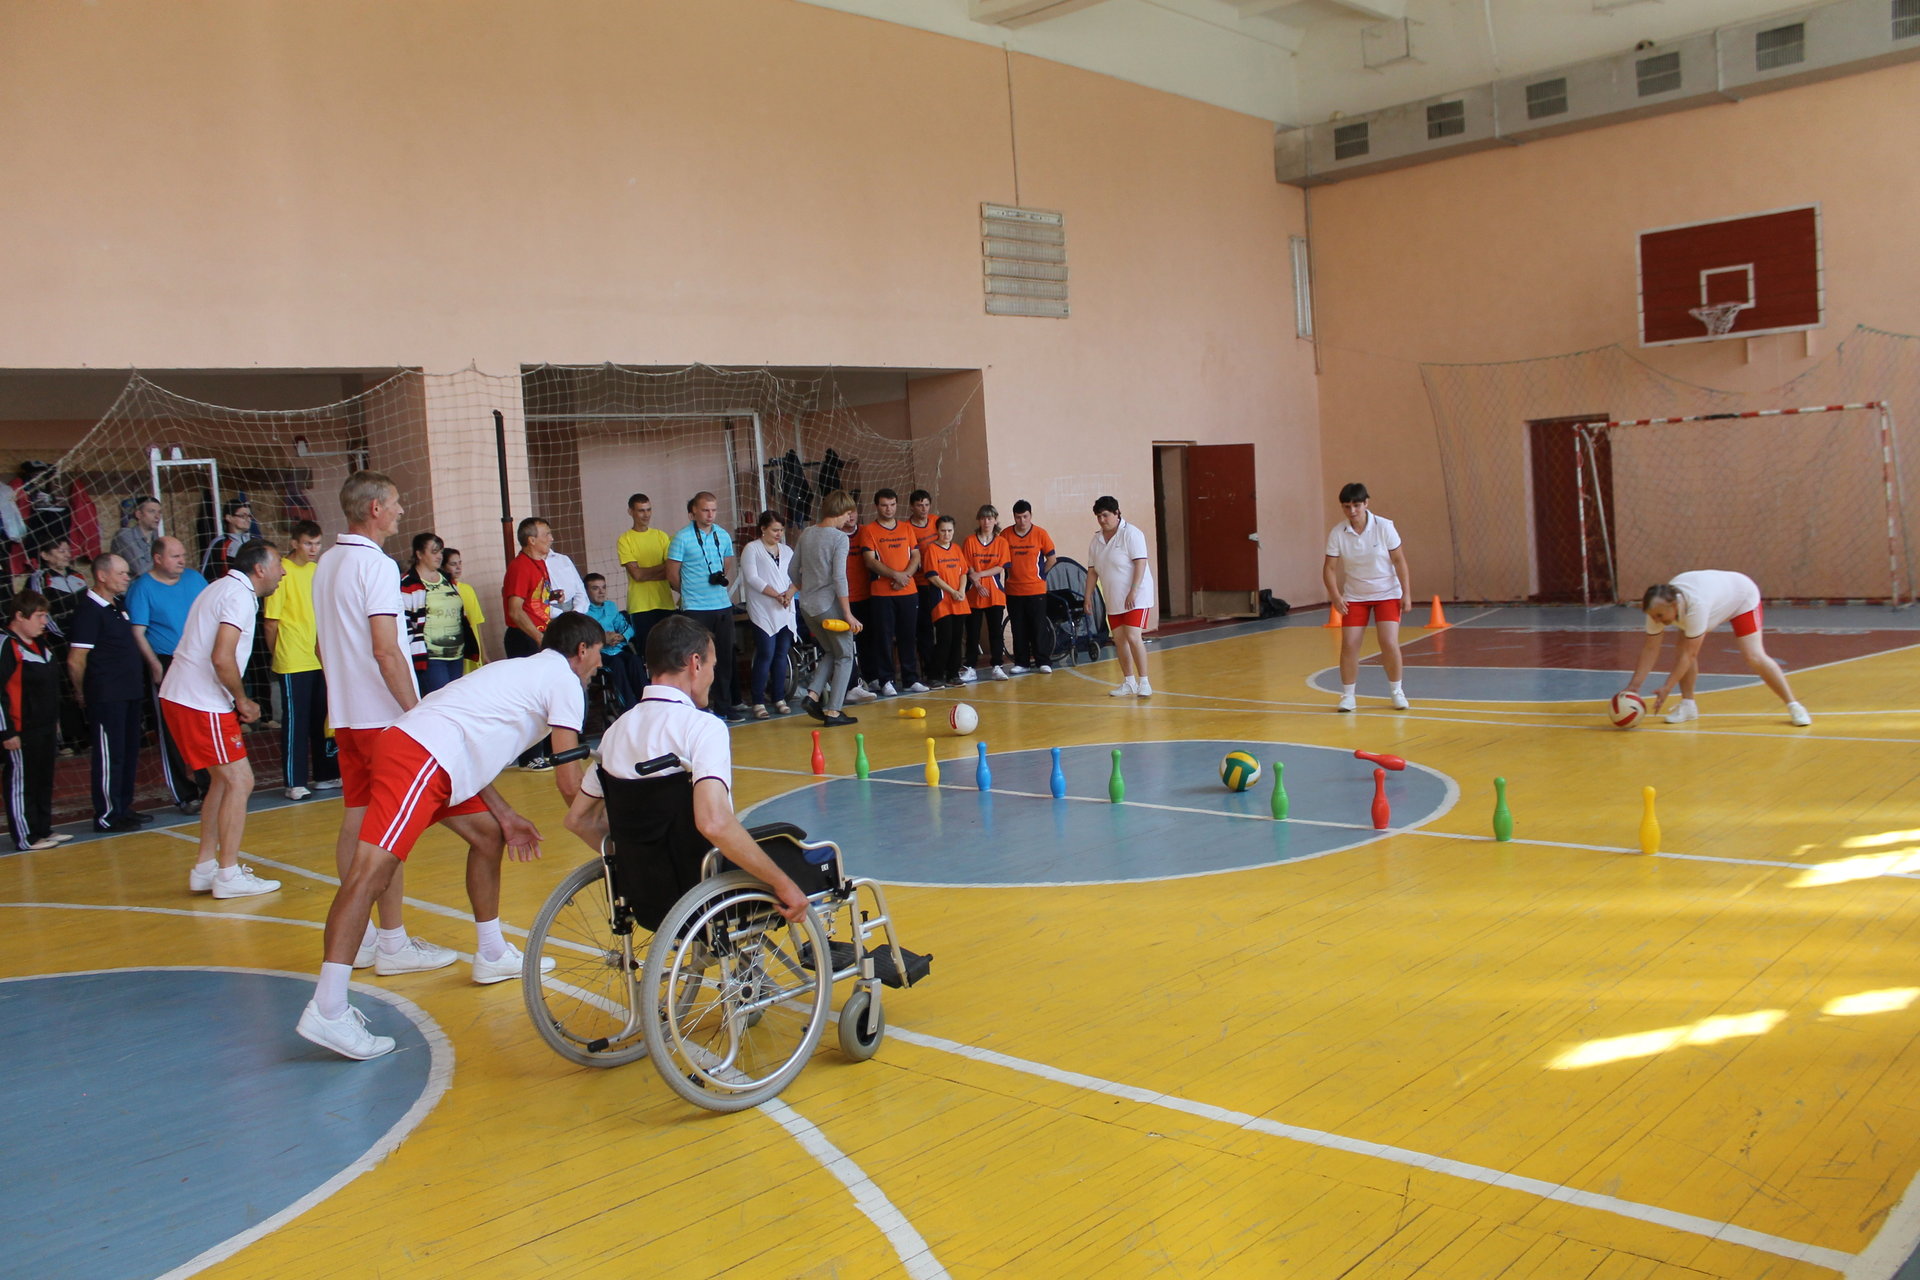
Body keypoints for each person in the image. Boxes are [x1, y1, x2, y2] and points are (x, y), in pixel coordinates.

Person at [295, 612, 603, 1061]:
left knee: (489, 835)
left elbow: (471, 749)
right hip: (420, 757)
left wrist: (506, 814)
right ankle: (328, 1008)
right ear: (582, 650)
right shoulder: (564, 682)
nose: (600, 663)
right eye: (599, 653)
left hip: (431, 754)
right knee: (369, 875)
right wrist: (610, 840)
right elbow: (569, 784)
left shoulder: (519, 670)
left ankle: (492, 952)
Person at [561, 613, 807, 933]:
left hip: (648, 895)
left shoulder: (615, 733)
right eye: (713, 666)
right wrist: (783, 883)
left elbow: (578, 820)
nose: (712, 676)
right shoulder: (702, 728)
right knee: (807, 857)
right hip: (707, 892)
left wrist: (637, 862)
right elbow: (713, 823)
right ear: (695, 663)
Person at [313, 472, 457, 977]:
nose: (400, 510)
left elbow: (321, 646)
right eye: (395, 502)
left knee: (357, 819)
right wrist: (416, 711)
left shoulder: (327, 563)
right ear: (375, 508)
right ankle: (392, 942)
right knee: (390, 831)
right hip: (381, 718)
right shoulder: (374, 565)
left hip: (347, 716)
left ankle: (367, 938)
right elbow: (385, 649)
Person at [161, 539, 286, 899]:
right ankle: (229, 874)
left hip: (183, 695)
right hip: (200, 700)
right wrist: (242, 699)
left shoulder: (219, 587)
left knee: (222, 781)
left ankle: (205, 869)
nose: (282, 572)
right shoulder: (238, 596)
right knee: (240, 781)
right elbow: (221, 656)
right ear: (259, 569)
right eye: (278, 564)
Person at [1625, 571, 1812, 726]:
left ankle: (1794, 705)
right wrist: (1633, 688)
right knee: (1682, 648)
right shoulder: (1657, 608)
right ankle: (1688, 706)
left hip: (1741, 598)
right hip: (1712, 598)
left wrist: (1667, 688)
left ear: (1674, 605)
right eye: (1653, 616)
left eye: (1659, 616)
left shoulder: (1696, 606)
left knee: (1753, 656)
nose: (1656, 620)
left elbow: (1690, 655)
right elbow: (1650, 649)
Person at [128, 535, 210, 813]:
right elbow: (138, 632)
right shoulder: (142, 588)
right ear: (158, 558)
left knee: (203, 724)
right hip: (167, 661)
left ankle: (210, 786)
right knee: (171, 729)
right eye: (175, 556)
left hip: (199, 659)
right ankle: (185, 794)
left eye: (183, 555)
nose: (182, 561)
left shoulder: (195, 579)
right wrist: (154, 664)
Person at [68, 553, 149, 831]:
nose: (127, 578)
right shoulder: (88, 611)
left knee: (127, 752)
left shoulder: (118, 606)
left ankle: (122, 807)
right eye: (121, 573)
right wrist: (81, 692)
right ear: (102, 576)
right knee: (109, 755)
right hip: (106, 696)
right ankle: (107, 815)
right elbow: (76, 659)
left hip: (129, 692)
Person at [266, 520, 340, 801]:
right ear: (295, 543)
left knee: (322, 719)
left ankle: (324, 775)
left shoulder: (316, 571)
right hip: (292, 659)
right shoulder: (282, 572)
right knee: (296, 723)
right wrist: (277, 654)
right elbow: (271, 623)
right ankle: (294, 781)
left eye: (317, 544)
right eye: (308, 543)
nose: (313, 549)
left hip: (317, 658)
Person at [1322, 482, 1410, 713]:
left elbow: (1399, 560)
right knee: (1350, 644)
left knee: (1388, 642)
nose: (1352, 511)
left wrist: (1406, 593)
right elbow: (1329, 568)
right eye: (1346, 506)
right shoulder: (1337, 533)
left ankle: (1397, 691)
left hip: (1387, 594)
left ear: (1366, 503)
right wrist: (1336, 596)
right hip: (1355, 597)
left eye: (1356, 505)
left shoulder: (1385, 526)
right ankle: (1348, 696)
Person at [666, 491, 743, 722]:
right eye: (705, 510)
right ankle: (699, 706)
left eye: (713, 510)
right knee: (696, 659)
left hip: (721, 605)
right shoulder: (681, 538)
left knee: (725, 657)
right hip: (695, 608)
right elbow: (672, 575)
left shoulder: (723, 535)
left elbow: (726, 565)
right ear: (694, 512)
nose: (710, 515)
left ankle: (724, 705)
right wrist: (690, 592)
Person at [0, 591, 66, 851]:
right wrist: (7, 732)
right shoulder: (7, 645)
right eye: (39, 616)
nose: (44, 622)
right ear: (19, 615)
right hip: (20, 728)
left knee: (43, 778)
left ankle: (42, 829)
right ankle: (26, 836)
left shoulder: (42, 644)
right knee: (22, 782)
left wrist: (55, 720)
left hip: (44, 726)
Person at [795, 490, 862, 728]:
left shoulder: (807, 533)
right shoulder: (839, 538)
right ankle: (834, 711)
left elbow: (792, 570)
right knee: (845, 655)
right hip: (828, 606)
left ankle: (812, 694)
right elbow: (839, 578)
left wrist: (807, 588)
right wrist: (848, 614)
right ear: (840, 512)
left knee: (831, 651)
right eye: (847, 514)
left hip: (807, 605)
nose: (849, 519)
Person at [855, 488, 927, 696]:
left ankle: (910, 679)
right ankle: (886, 680)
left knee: (908, 636)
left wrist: (905, 577)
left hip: (908, 591)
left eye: (892, 504)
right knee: (884, 638)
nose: (889, 509)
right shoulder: (869, 530)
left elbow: (916, 555)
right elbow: (870, 561)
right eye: (885, 505)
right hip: (882, 594)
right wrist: (895, 575)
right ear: (877, 506)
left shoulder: (906, 528)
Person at [503, 517, 562, 766]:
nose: (551, 538)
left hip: (538, 637)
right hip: (525, 638)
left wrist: (551, 596)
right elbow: (515, 610)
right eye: (546, 534)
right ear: (531, 540)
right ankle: (530, 756)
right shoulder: (520, 567)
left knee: (545, 696)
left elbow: (533, 599)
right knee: (530, 698)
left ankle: (547, 749)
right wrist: (539, 638)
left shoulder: (539, 564)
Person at [1084, 496, 1156, 698]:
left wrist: (1133, 590)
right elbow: (1092, 571)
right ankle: (1129, 681)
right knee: (1119, 639)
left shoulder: (1131, 534)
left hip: (1137, 597)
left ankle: (1144, 682)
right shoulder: (1096, 540)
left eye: (1105, 515)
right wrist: (1087, 596)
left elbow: (1140, 563)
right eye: (1098, 516)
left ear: (1117, 513)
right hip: (1113, 598)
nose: (1102, 520)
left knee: (1133, 636)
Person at [26, 537, 87, 753]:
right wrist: (63, 635)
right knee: (65, 688)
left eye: (68, 550)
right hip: (59, 643)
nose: (67, 554)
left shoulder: (78, 576)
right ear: (45, 555)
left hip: (83, 641)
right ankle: (70, 739)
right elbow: (40, 610)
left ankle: (89, 735)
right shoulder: (40, 578)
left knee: (85, 683)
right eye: (60, 551)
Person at [740, 511, 797, 718]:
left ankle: (779, 697)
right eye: (774, 530)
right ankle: (758, 701)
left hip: (785, 608)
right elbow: (752, 578)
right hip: (763, 609)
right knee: (766, 653)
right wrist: (776, 595)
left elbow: (796, 575)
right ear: (763, 529)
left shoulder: (787, 550)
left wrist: (789, 594)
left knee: (782, 653)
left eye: (781, 530)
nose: (778, 534)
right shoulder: (752, 549)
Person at [616, 492, 675, 681]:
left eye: (649, 510)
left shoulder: (661, 536)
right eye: (641, 511)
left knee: (669, 653)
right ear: (630, 512)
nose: (646, 514)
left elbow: (671, 570)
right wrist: (662, 568)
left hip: (665, 603)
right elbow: (637, 575)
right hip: (640, 606)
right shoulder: (625, 539)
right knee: (648, 656)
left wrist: (648, 571)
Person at [400, 532, 467, 695]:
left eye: (441, 552)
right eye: (434, 552)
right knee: (441, 701)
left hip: (456, 654)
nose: (439, 556)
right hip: (430, 658)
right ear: (419, 554)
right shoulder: (409, 583)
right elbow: (404, 622)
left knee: (456, 700)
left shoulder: (447, 578)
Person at [1002, 500, 1056, 674]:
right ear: (1014, 517)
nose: (1022, 521)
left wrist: (1041, 575)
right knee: (1018, 627)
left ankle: (1043, 661)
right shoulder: (1005, 535)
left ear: (1030, 516)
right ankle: (1022, 662)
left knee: (1038, 626)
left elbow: (1052, 558)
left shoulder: (1040, 533)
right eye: (1018, 517)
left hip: (1036, 589)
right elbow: (1000, 559)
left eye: (1025, 517)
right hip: (1013, 590)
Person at [963, 504, 1011, 682]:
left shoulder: (1001, 542)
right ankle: (970, 667)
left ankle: (997, 665)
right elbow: (967, 566)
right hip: (973, 593)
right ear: (979, 520)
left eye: (990, 518)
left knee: (995, 632)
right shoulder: (970, 541)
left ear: (995, 520)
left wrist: (981, 574)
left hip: (994, 592)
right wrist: (976, 583)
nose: (986, 522)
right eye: (983, 518)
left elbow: (1000, 566)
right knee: (973, 632)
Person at [923, 516, 972, 685]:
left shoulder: (956, 549)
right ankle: (935, 675)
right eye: (943, 531)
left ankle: (953, 674)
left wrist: (961, 591)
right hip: (942, 600)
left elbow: (963, 572)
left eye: (950, 530)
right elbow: (932, 576)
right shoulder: (932, 549)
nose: (946, 534)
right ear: (937, 531)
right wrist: (952, 591)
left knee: (957, 639)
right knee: (945, 638)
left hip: (958, 600)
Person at [584, 572, 640, 710]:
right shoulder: (583, 611)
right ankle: (629, 707)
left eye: (603, 587)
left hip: (616, 649)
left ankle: (646, 701)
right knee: (617, 663)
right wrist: (603, 639)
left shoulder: (610, 606)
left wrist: (621, 636)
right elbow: (584, 636)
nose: (601, 592)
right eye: (595, 588)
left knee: (634, 660)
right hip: (598, 653)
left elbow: (626, 627)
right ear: (586, 591)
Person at [907, 489, 939, 678]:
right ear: (912, 507)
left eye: (926, 505)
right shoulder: (907, 528)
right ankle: (929, 669)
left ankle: (945, 665)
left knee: (943, 625)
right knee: (925, 627)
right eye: (919, 505)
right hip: (920, 583)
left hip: (940, 582)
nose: (924, 509)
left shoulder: (936, 521)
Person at [443, 548, 486, 674]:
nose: (458, 567)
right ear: (443, 566)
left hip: (473, 652)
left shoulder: (468, 589)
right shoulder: (442, 592)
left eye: (460, 563)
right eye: (453, 564)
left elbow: (476, 624)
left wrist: (483, 653)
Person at [201, 496, 253, 577]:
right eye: (243, 516)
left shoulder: (256, 541)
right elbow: (206, 573)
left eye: (249, 516)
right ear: (229, 518)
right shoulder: (219, 543)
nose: (248, 519)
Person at [111, 495, 161, 579]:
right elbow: (141, 569)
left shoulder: (156, 538)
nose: (157, 516)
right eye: (152, 511)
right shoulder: (125, 535)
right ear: (139, 514)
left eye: (159, 512)